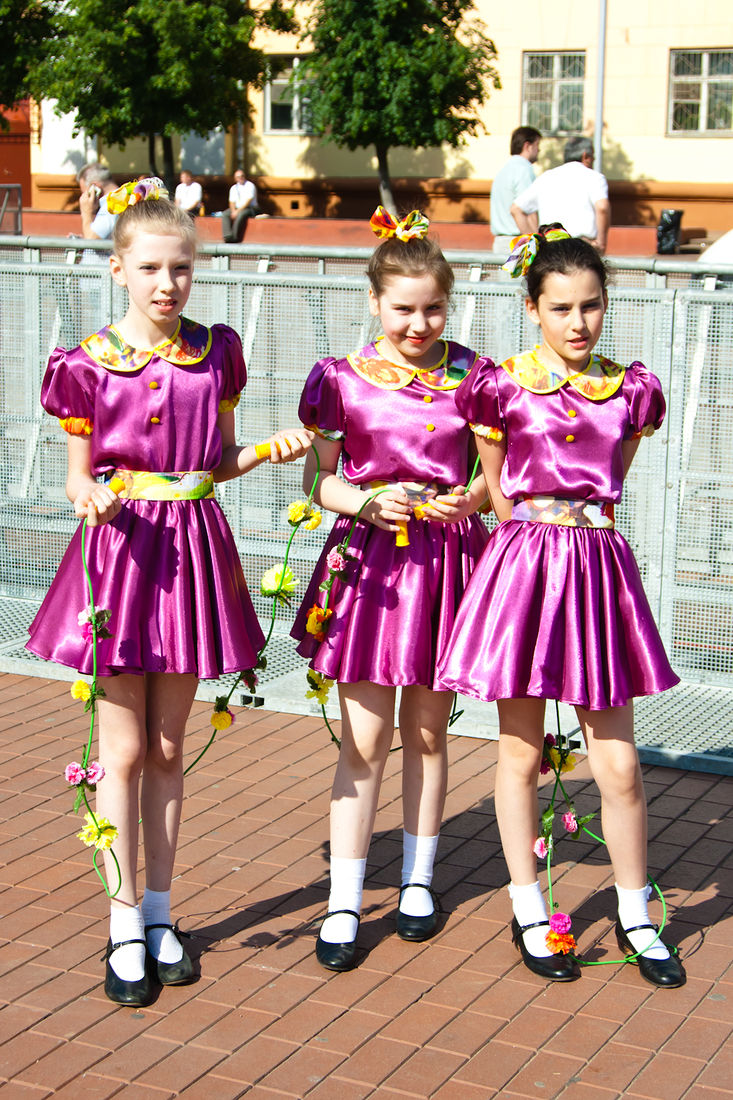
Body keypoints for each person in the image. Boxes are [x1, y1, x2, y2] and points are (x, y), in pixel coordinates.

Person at [26, 179, 312, 1007]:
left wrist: (263, 453)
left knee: (166, 747)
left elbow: (214, 461)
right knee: (120, 751)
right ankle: (121, 924)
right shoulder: (87, 363)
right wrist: (88, 494)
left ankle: (159, 912)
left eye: (180, 268)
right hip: (120, 555)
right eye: (150, 268)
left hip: (189, 555)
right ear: (118, 268)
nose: (166, 284)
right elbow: (78, 475)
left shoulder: (216, 354)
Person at [437, 226, 685, 987]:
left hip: (597, 571)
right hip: (522, 569)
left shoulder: (631, 390)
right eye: (560, 308)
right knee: (519, 752)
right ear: (531, 308)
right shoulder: (499, 385)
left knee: (619, 764)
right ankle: (528, 907)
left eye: (591, 306)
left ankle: (635, 913)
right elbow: (499, 493)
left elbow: (608, 481)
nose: (578, 323)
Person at [290, 207, 491, 971]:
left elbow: (493, 474)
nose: (418, 324)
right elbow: (318, 480)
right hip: (370, 570)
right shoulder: (339, 379)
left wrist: (467, 501)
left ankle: (416, 881)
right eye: (403, 308)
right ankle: (344, 899)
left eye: (432, 308)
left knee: (430, 732)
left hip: (446, 567)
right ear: (374, 301)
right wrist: (367, 502)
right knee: (366, 740)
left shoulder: (475, 377)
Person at [511, 136, 611, 253]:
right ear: (585, 156)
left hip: (551, 248)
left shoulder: (546, 177)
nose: (594, 160)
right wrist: (601, 243)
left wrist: (536, 244)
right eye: (593, 156)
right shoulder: (595, 178)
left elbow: (516, 209)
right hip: (581, 248)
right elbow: (602, 207)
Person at [490, 126, 542, 254]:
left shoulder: (504, 169)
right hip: (519, 242)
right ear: (527, 146)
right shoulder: (524, 170)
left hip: (501, 242)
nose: (539, 150)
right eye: (537, 145)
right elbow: (527, 210)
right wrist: (537, 243)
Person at [78, 162, 118, 241]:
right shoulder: (121, 197)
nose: (85, 198)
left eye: (85, 193)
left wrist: (86, 212)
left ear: (95, 188)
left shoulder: (111, 204)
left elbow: (92, 240)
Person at [222, 168, 260, 242]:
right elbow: (231, 201)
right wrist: (233, 211)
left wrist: (237, 211)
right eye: (238, 177)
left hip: (251, 208)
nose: (240, 178)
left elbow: (248, 201)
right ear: (235, 179)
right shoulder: (233, 188)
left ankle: (234, 237)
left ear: (244, 176)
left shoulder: (250, 186)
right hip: (237, 208)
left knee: (241, 214)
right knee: (225, 214)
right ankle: (227, 235)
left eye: (242, 176)